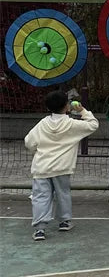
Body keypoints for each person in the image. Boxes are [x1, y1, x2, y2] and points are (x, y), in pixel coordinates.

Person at [24, 89, 99, 241]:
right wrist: (83, 111)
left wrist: (36, 151)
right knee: (63, 194)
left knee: (40, 197)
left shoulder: (42, 124)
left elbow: (29, 142)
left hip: (42, 167)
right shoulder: (71, 124)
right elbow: (93, 125)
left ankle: (40, 229)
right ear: (67, 106)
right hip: (62, 167)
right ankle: (64, 221)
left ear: (47, 107)